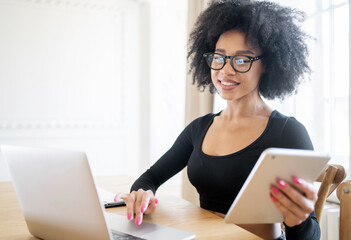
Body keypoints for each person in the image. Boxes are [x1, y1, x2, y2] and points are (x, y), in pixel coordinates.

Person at [115, 0, 320, 239]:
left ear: (267, 64)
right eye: (219, 57)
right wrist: (143, 195)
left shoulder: (288, 132)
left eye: (242, 60)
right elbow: (149, 178)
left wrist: (298, 221)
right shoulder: (200, 128)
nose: (225, 70)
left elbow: (312, 234)